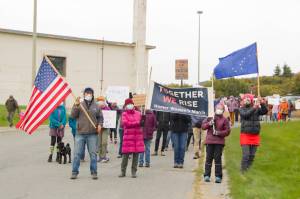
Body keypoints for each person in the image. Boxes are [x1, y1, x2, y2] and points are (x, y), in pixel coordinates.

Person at [70, 87, 103, 180]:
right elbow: (73, 115)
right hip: (80, 133)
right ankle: (74, 172)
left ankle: (94, 172)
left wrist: (100, 124)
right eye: (86, 93)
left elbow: (100, 117)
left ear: (92, 95)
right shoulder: (79, 104)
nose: (88, 94)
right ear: (84, 94)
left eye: (90, 93)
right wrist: (76, 106)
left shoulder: (96, 106)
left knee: (93, 154)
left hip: (92, 134)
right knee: (77, 154)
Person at [202, 104, 230, 183]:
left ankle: (218, 176)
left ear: (223, 110)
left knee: (217, 159)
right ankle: (207, 175)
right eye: (217, 108)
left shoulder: (225, 120)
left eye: (220, 109)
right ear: (215, 109)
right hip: (210, 141)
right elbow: (203, 127)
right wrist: (209, 124)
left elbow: (227, 131)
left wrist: (218, 133)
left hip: (219, 142)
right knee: (208, 158)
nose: (219, 110)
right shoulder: (210, 118)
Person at [239, 94, 268, 173]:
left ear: (252, 100)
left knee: (252, 156)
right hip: (245, 134)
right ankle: (243, 171)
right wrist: (254, 108)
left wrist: (262, 103)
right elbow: (245, 115)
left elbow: (265, 111)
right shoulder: (241, 109)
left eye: (248, 99)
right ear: (243, 101)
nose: (247, 101)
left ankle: (248, 169)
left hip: (255, 135)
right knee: (246, 155)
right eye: (245, 99)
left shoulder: (257, 109)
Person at [119, 98, 144, 178]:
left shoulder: (138, 113)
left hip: (137, 137)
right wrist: (137, 123)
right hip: (128, 137)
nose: (130, 105)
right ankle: (123, 171)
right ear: (126, 106)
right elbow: (126, 123)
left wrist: (143, 120)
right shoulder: (124, 114)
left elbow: (141, 123)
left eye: (131, 104)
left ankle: (134, 172)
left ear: (133, 104)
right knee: (125, 156)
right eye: (128, 104)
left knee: (136, 156)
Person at [96, 96, 110, 163]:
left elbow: (110, 117)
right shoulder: (96, 109)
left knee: (104, 142)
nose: (101, 103)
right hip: (98, 128)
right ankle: (100, 157)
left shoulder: (107, 109)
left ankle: (104, 156)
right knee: (99, 143)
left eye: (102, 102)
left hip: (105, 128)